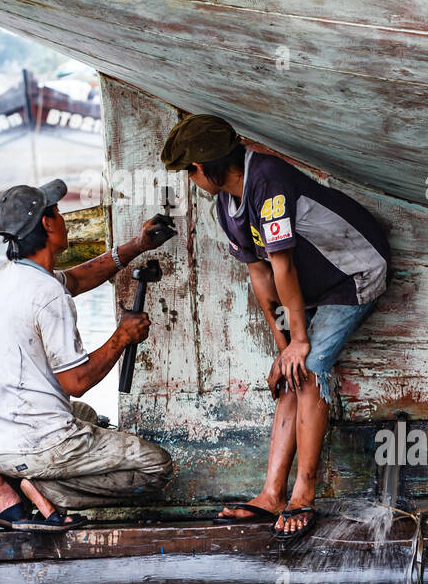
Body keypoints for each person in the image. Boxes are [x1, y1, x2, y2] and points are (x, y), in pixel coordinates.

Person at [161, 115, 390, 541]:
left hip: (355, 274)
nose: (190, 180)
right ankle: (270, 494)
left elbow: (282, 266)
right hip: (315, 286)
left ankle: (302, 494)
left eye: (190, 171)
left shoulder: (267, 181)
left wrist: (300, 343)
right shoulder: (224, 205)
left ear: (206, 166)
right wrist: (283, 345)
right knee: (289, 375)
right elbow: (261, 277)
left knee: (310, 369)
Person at [0, 178, 178, 533]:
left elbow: (78, 280)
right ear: (48, 224)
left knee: (88, 416)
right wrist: (122, 337)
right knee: (157, 466)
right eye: (58, 213)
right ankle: (40, 488)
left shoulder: (7, 276)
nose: (63, 218)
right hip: (37, 445)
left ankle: (9, 481)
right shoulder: (49, 296)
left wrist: (138, 245)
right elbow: (77, 381)